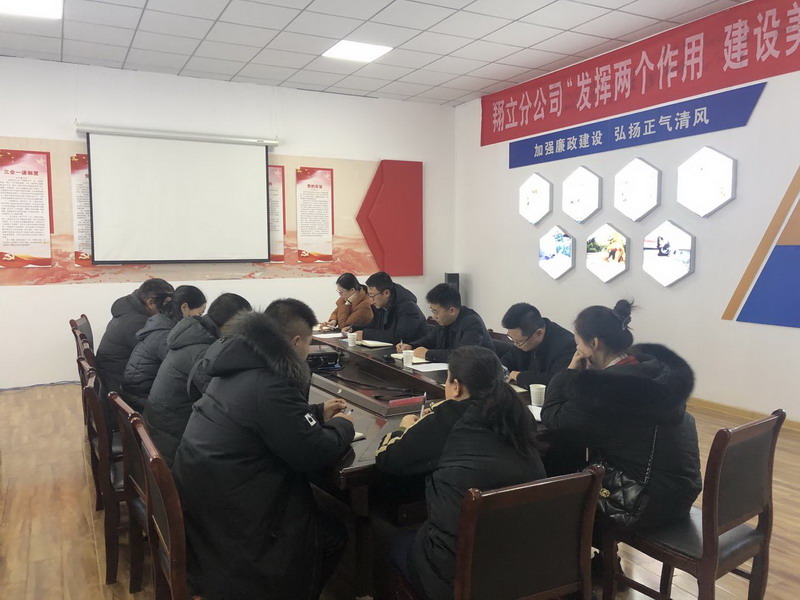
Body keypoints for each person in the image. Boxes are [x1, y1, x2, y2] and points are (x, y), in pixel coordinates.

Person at [172, 299, 355, 600]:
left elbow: (261, 416)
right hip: (237, 524)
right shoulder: (271, 382)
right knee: (333, 534)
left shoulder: (237, 362)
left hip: (207, 505)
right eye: (309, 343)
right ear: (296, 342)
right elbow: (312, 453)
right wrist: (344, 426)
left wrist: (315, 412)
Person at [376, 346, 545, 600]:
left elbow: (388, 459)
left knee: (387, 537)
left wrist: (405, 428)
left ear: (456, 386)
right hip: (524, 566)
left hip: (457, 578)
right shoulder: (519, 415)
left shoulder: (448, 418)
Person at [541, 300, 702, 531]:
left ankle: (583, 553)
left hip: (639, 501)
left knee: (550, 496)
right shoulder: (656, 371)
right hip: (678, 493)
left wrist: (569, 371)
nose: (578, 351)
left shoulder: (608, 389)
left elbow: (554, 418)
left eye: (578, 345)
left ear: (593, 343)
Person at [143, 292, 252, 466]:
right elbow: (221, 402)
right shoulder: (203, 352)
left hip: (158, 430)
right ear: (232, 324)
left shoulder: (192, 335)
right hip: (172, 443)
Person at [121, 285, 206, 410]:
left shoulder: (163, 324)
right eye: (199, 313)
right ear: (184, 308)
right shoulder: (167, 337)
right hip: (141, 400)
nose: (201, 319)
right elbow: (186, 369)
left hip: (135, 394)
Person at [95, 278, 173, 395]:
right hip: (118, 384)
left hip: (111, 374)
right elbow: (160, 355)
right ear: (150, 302)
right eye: (166, 304)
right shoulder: (137, 323)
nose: (170, 309)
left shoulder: (129, 308)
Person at [397, 283, 493, 362]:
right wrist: (411, 346)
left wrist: (428, 354)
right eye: (432, 310)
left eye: (436, 312)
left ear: (452, 311)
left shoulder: (472, 323)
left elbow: (463, 355)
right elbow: (429, 340)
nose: (433, 316)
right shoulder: (444, 321)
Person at [501, 302, 575, 387]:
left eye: (519, 341)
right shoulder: (521, 339)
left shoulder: (566, 345)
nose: (515, 344)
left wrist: (519, 376)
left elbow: (555, 381)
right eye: (511, 338)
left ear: (539, 333)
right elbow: (505, 363)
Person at [345, 271, 428, 344]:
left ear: (386, 293)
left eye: (372, 296)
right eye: (369, 295)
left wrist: (365, 334)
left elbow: (400, 337)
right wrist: (353, 328)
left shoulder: (408, 307)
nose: (370, 300)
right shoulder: (382, 303)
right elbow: (376, 325)